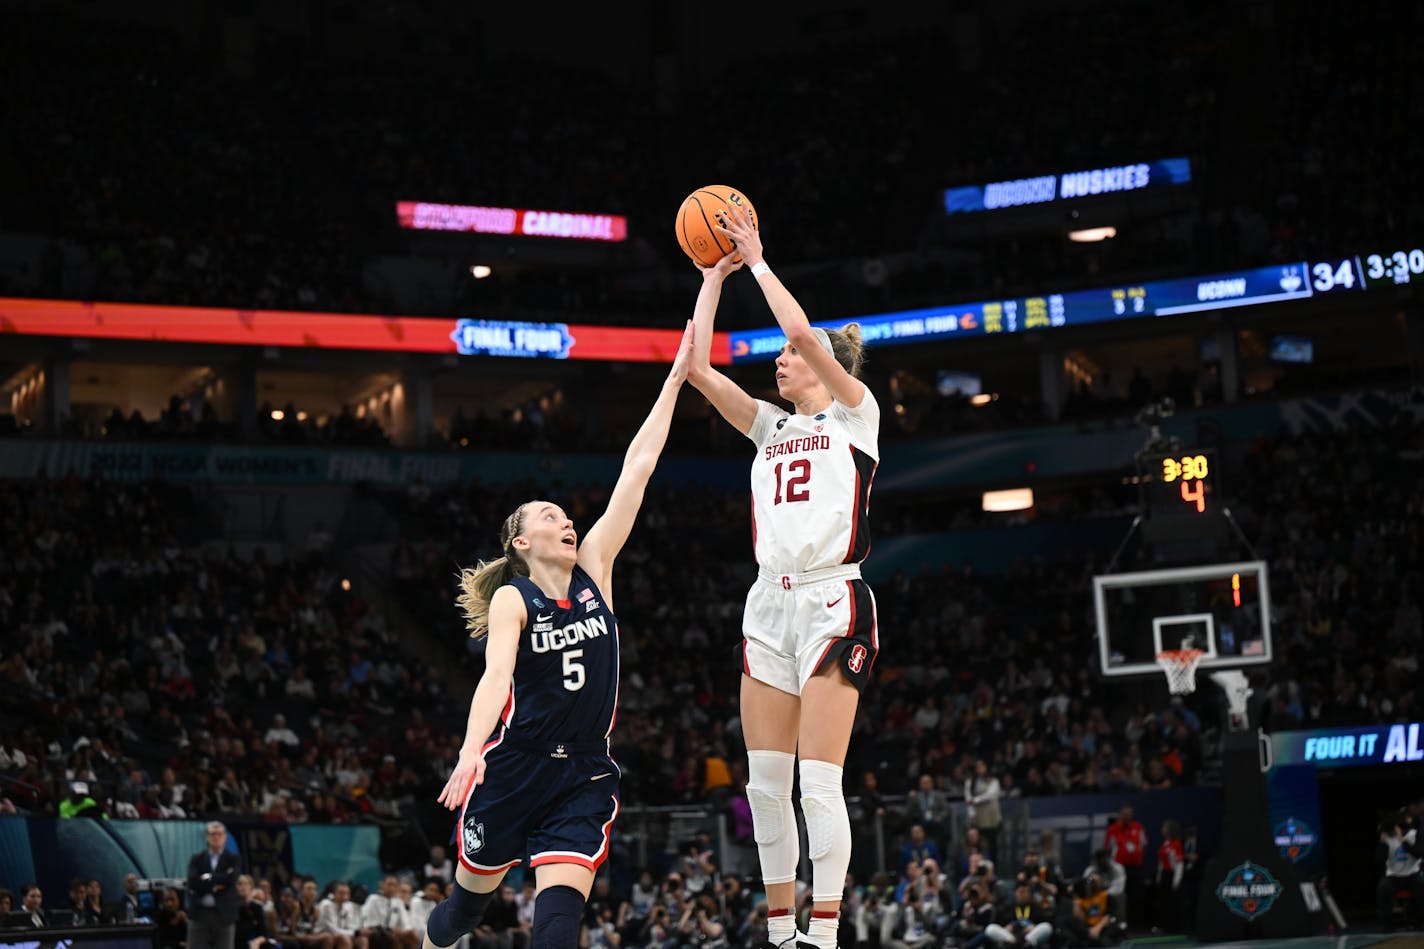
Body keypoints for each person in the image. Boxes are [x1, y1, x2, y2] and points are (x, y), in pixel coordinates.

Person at [419, 321, 697, 949]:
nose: (567, 520)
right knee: (462, 914)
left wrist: (677, 377)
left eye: (567, 516)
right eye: (551, 516)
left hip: (585, 774)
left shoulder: (597, 567)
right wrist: (469, 752)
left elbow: (639, 467)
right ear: (522, 542)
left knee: (559, 922)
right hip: (515, 766)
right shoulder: (515, 600)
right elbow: (495, 679)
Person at [690, 206, 880, 949]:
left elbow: (803, 332)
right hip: (769, 604)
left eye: (792, 357)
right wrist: (712, 280)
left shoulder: (855, 416)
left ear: (828, 368)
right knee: (765, 786)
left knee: (817, 783)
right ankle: (779, 933)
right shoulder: (771, 426)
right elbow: (698, 371)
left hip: (835, 596)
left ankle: (824, 936)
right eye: (778, 355)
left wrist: (759, 261)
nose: (781, 359)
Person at [186, 820, 241, 949]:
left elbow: (232, 878)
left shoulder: (233, 858)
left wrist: (208, 877)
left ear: (225, 837)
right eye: (212, 834)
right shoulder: (197, 858)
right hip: (200, 913)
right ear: (207, 837)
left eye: (219, 834)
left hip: (224, 914)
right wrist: (220, 881)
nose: (216, 837)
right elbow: (193, 881)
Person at [1102, 803, 1145, 929]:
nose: (1127, 816)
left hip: (1136, 868)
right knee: (1120, 895)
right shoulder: (1113, 830)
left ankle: (1137, 924)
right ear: (1120, 815)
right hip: (1119, 869)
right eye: (1124, 814)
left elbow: (1143, 845)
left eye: (1129, 814)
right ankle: (1120, 923)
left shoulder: (1138, 828)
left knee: (1136, 895)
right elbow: (1108, 849)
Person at [966, 761, 1004, 860]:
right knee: (978, 845)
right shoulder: (970, 782)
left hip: (992, 819)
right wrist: (972, 815)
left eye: (982, 766)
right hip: (978, 820)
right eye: (977, 767)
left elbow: (991, 795)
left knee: (993, 846)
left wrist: (975, 800)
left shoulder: (993, 780)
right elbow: (968, 800)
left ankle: (993, 869)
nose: (979, 769)